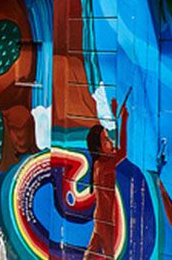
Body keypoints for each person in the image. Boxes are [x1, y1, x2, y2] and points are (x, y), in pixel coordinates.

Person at [84, 98, 128, 259]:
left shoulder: (100, 163)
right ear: (99, 147)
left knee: (91, 253)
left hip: (101, 218)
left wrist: (117, 117)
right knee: (109, 255)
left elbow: (117, 150)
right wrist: (124, 121)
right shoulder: (104, 166)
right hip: (105, 221)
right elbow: (122, 152)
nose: (110, 142)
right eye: (106, 140)